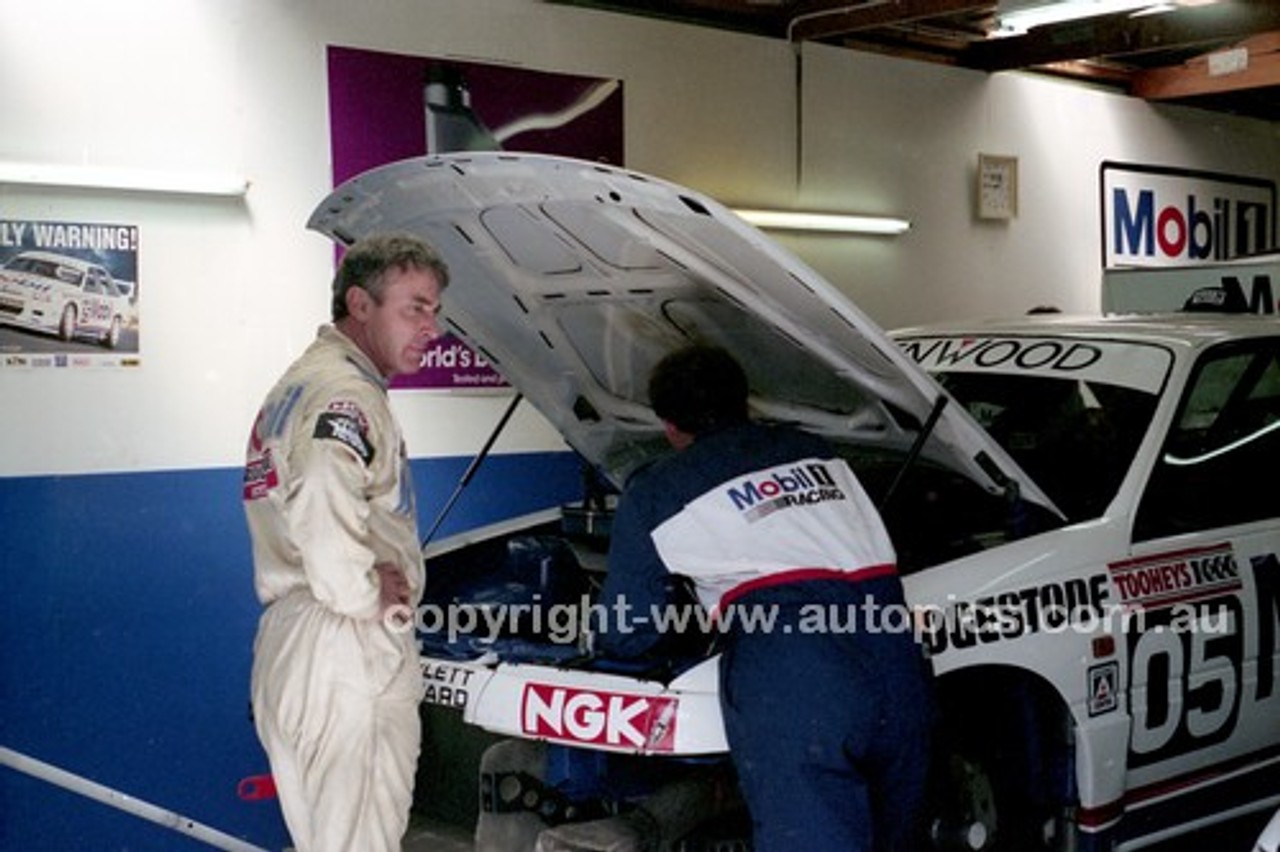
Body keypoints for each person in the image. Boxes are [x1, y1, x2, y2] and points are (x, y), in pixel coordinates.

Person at [595, 344, 934, 852]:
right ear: (746, 402)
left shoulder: (656, 491)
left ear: (668, 426)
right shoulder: (819, 452)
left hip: (798, 677)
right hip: (896, 655)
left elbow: (627, 631)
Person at [242, 233, 448, 852]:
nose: (431, 327)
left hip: (299, 637)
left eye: (435, 310)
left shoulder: (301, 383)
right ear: (360, 304)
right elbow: (327, 490)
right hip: (344, 645)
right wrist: (362, 592)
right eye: (415, 307)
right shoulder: (347, 395)